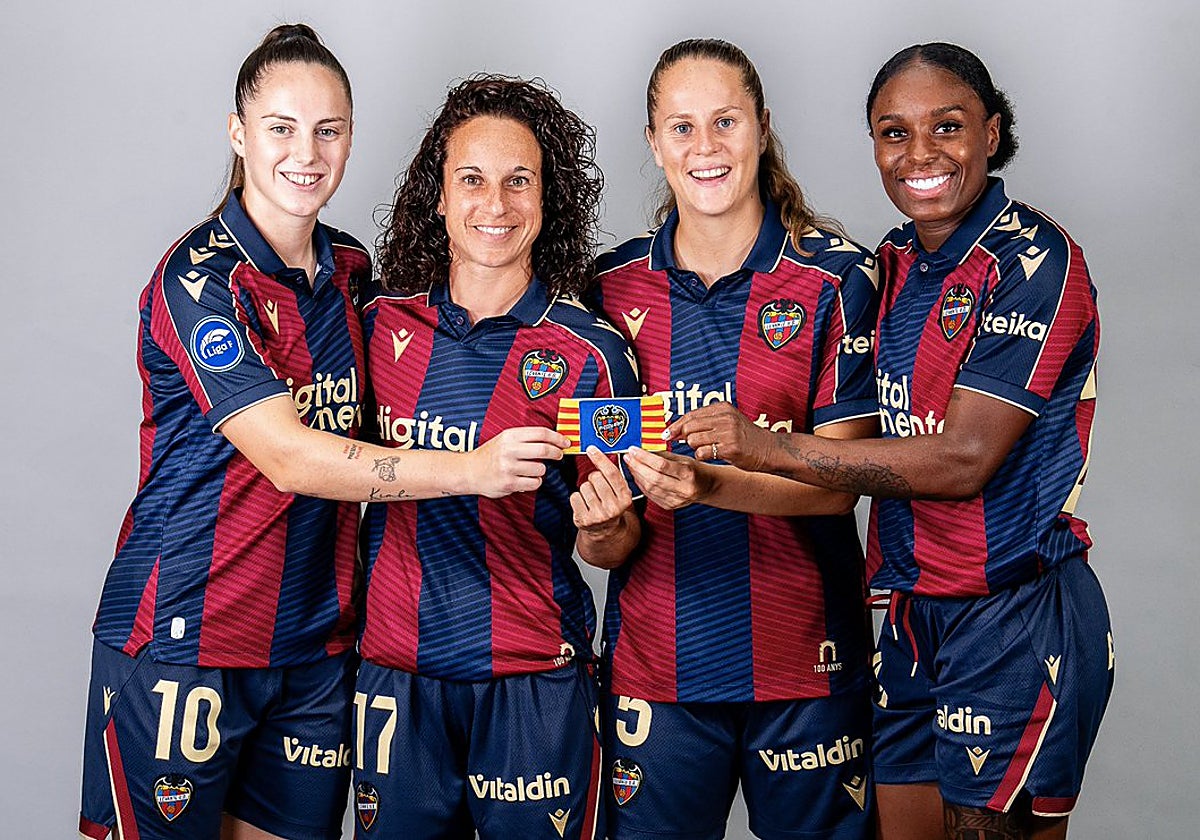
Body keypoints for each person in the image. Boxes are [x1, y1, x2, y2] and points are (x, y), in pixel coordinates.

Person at [79, 27, 566, 840]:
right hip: (186, 635)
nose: (305, 153)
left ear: (349, 139)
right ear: (239, 133)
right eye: (280, 127)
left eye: (327, 130)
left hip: (314, 650)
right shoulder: (197, 281)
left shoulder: (351, 274)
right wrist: (470, 470)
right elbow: (290, 456)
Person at [669, 42, 1113, 840]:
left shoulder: (1035, 260)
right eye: (893, 132)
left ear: (991, 133)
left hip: (1013, 609)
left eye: (947, 126)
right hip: (909, 614)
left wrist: (768, 446)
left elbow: (962, 460)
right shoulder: (893, 264)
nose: (920, 154)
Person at [590, 39, 880, 840]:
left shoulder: (836, 280)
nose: (706, 146)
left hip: (808, 667)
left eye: (725, 121)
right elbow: (605, 536)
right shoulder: (607, 290)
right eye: (681, 127)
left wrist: (714, 480)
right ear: (653, 142)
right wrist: (602, 526)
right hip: (656, 667)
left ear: (762, 127)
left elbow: (842, 483)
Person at [351, 75, 639, 840]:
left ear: (548, 201)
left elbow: (615, 541)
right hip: (394, 672)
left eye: (520, 181)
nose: (496, 204)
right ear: (437, 196)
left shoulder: (592, 353)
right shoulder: (378, 324)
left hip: (532, 676)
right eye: (471, 180)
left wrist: (602, 526)